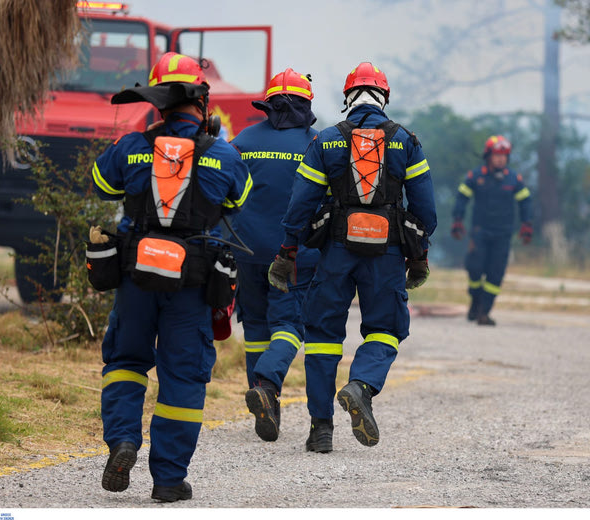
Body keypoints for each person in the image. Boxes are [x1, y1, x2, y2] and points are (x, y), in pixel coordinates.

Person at [91, 52, 252, 502]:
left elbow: (102, 184)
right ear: (202, 101)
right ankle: (167, 479)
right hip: (192, 285)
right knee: (183, 378)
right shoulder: (224, 154)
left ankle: (122, 440)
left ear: (158, 100)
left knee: (125, 361)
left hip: (135, 277)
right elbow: (238, 201)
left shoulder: (131, 146)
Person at [268, 62, 436, 453]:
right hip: (387, 255)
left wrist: (288, 249)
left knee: (322, 337)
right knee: (386, 329)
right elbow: (425, 211)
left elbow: (300, 204)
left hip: (335, 254)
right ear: (384, 97)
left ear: (347, 98)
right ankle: (361, 384)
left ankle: (320, 429)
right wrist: (419, 256)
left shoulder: (326, 140)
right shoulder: (406, 141)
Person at [228, 69, 320, 442]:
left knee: (255, 327)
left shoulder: (242, 140)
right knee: (290, 326)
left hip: (245, 250)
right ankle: (267, 384)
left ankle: (266, 403)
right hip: (294, 255)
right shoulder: (316, 144)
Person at [451, 135, 533, 326]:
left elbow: (525, 201)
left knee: (496, 274)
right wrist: (457, 220)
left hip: (503, 234)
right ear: (488, 156)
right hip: (480, 231)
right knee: (474, 268)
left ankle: (484, 312)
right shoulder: (475, 176)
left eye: (504, 156)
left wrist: (527, 224)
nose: (501, 159)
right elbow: (462, 198)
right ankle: (476, 300)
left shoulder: (514, 179)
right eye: (497, 155)